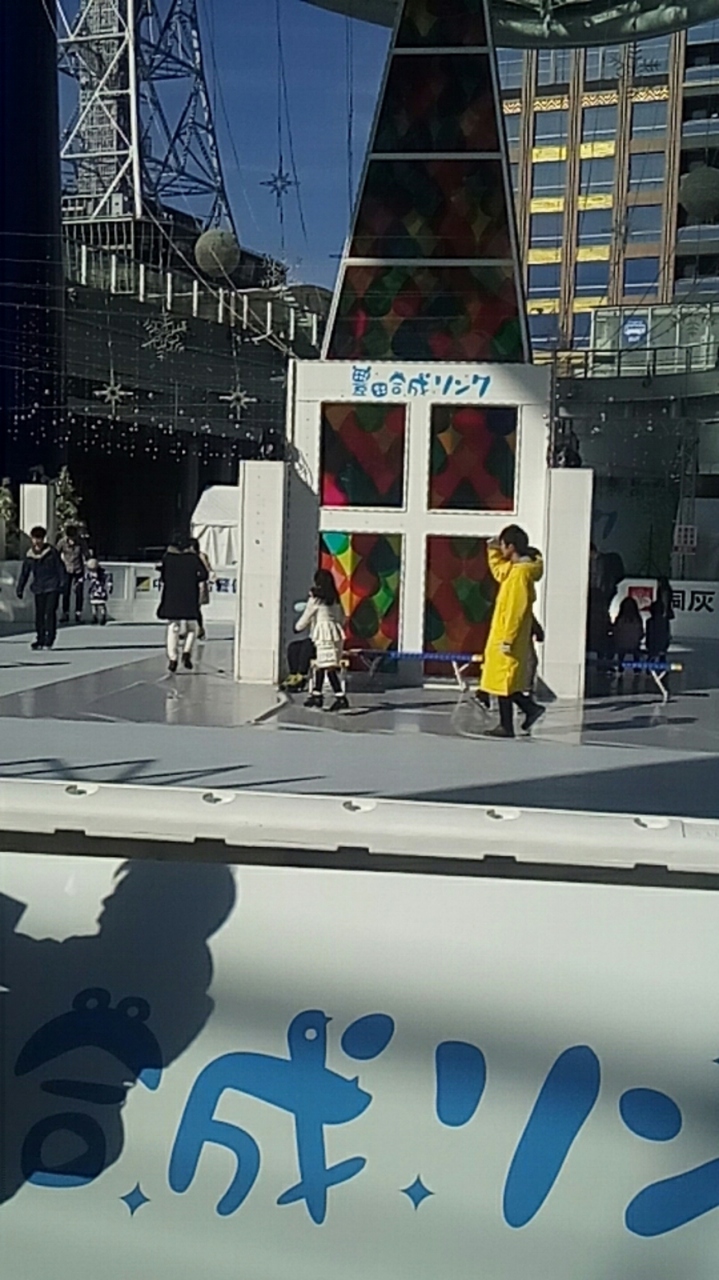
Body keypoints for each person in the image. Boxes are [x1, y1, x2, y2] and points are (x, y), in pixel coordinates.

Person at [480, 526, 545, 739]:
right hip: (504, 633)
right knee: (503, 681)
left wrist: (508, 639)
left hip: (508, 636)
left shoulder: (520, 575)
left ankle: (508, 724)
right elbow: (499, 570)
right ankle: (528, 710)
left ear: (511, 547)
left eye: (502, 545)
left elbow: (516, 610)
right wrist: (492, 550)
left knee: (504, 680)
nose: (501, 549)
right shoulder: (514, 570)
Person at [295, 568, 348, 712]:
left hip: (323, 634)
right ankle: (316, 694)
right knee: (323, 664)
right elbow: (342, 617)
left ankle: (340, 697)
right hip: (336, 633)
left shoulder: (316, 598)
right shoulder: (335, 598)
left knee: (328, 667)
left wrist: (298, 627)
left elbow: (307, 615)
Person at [157, 534, 208, 674]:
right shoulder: (193, 558)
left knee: (173, 626)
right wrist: (193, 579)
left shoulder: (168, 558)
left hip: (172, 595)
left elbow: (163, 577)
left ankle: (172, 658)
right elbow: (204, 574)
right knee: (192, 627)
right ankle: (186, 652)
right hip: (189, 595)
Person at [16, 526, 65, 651]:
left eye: (40, 538)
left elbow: (60, 568)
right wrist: (20, 588)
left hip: (52, 586)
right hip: (39, 587)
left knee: (50, 613)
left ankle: (49, 639)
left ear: (43, 539)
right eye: (35, 538)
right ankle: (40, 639)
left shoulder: (52, 552)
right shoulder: (30, 555)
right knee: (39, 614)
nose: (37, 541)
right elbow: (25, 573)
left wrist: (62, 584)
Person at [57, 524, 86, 624]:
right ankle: (65, 613)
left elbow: (86, 554)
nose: (72, 540)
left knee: (79, 591)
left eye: (74, 537)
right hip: (66, 569)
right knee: (66, 592)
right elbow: (56, 554)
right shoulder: (62, 542)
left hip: (78, 569)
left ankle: (78, 613)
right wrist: (59, 565)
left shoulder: (81, 542)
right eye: (70, 537)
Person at [189, 538, 213, 640]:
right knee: (192, 608)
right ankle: (196, 628)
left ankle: (199, 628)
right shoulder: (190, 556)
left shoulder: (201, 556)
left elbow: (207, 569)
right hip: (193, 583)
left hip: (200, 584)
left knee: (196, 607)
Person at [611, 596, 644, 662]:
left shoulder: (619, 620)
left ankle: (620, 664)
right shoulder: (637, 620)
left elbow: (615, 631)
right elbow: (641, 634)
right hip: (634, 645)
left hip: (621, 645)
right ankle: (637, 666)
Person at [85, 557, 108, 625]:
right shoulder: (90, 573)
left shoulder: (102, 573)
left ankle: (102, 617)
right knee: (94, 605)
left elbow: (108, 577)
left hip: (99, 590)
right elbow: (85, 577)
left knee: (101, 604)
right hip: (94, 590)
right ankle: (95, 617)